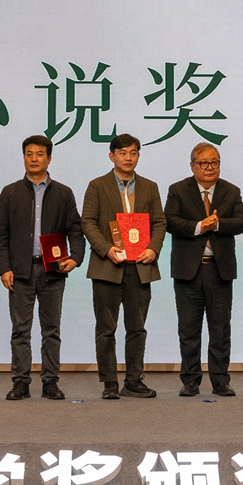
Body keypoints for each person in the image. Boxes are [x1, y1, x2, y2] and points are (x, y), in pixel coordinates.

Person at [0, 135, 86, 401]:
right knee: (20, 331)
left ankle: (50, 382)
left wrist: (75, 258)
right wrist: (4, 268)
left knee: (51, 330)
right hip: (19, 271)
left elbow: (75, 230)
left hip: (53, 271)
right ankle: (20, 382)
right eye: (29, 154)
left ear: (49, 158)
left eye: (39, 154)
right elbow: (0, 236)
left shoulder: (64, 193)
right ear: (24, 157)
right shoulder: (10, 192)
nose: (34, 159)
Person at [81, 133, 167, 399]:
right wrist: (106, 249)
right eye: (122, 153)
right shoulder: (97, 185)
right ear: (112, 156)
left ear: (138, 156)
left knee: (137, 328)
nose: (128, 158)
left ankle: (133, 381)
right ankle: (109, 383)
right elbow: (88, 222)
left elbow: (159, 222)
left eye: (133, 153)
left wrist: (153, 249)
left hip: (140, 266)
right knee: (106, 329)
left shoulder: (150, 187)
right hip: (108, 266)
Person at [164, 142, 243, 397]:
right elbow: (169, 221)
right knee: (189, 329)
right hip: (188, 270)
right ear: (192, 165)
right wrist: (201, 226)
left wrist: (217, 224)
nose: (210, 167)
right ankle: (190, 380)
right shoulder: (178, 190)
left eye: (215, 162)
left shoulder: (231, 191)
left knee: (220, 329)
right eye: (204, 163)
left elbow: (241, 222)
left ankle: (221, 380)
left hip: (219, 271)